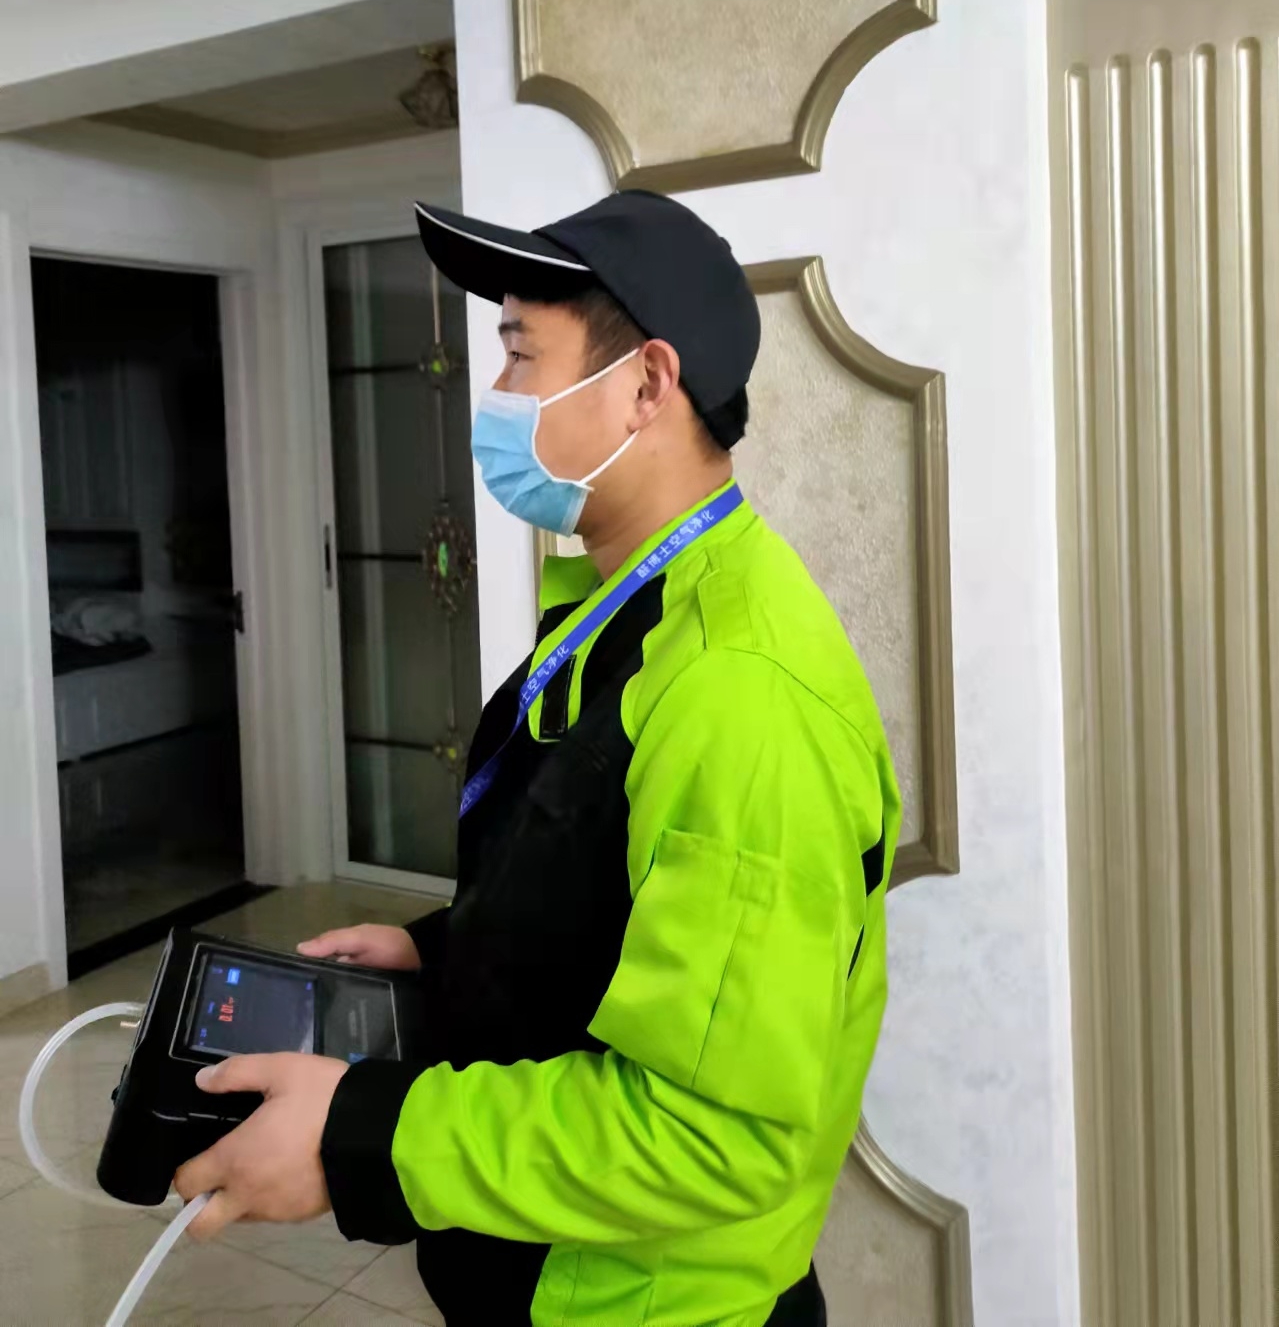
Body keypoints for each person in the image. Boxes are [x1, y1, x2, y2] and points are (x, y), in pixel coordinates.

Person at [176, 189, 901, 1327]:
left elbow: (712, 1132)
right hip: (537, 1271)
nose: (498, 395)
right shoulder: (624, 606)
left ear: (647, 385)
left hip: (638, 1304)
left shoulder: (742, 690)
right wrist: (443, 952)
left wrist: (360, 1132)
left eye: (521, 355)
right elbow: (608, 898)